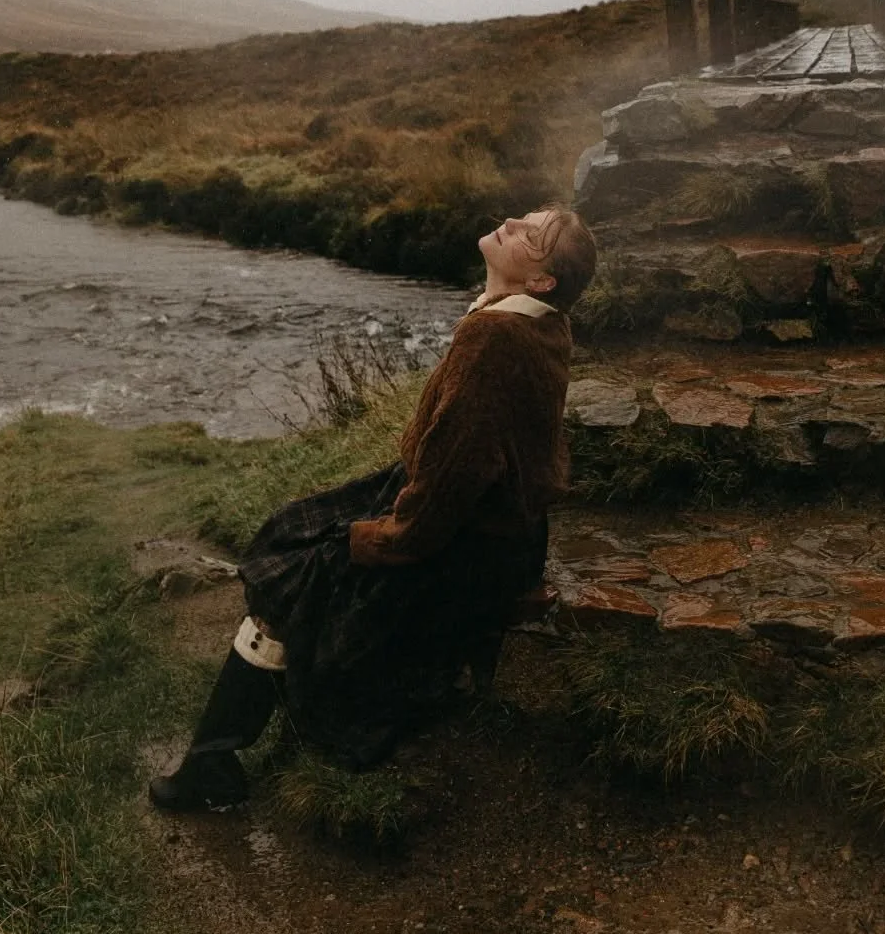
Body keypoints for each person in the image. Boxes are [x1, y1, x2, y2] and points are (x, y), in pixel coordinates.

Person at [148, 205, 598, 811]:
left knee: (299, 569)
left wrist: (383, 540)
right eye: (522, 217)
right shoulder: (537, 320)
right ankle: (219, 751)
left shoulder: (495, 338)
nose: (513, 224)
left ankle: (212, 766)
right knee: (293, 527)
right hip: (501, 530)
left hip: (466, 542)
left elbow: (458, 473)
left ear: (541, 280)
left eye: (530, 234)